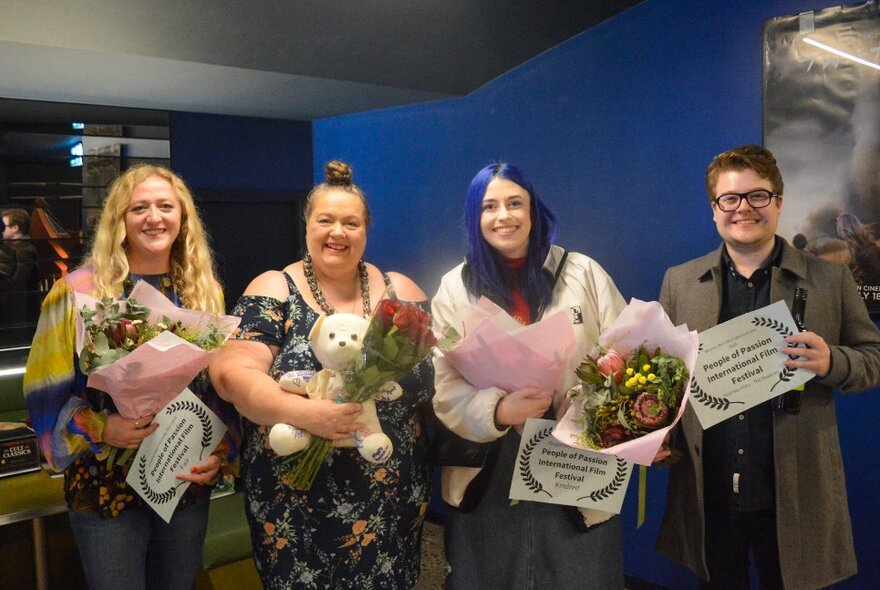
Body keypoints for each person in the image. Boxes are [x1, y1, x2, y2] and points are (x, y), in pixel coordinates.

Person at [656, 145, 880, 589]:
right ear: (714, 209)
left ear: (778, 202)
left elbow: (873, 359)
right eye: (730, 198)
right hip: (710, 490)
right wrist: (654, 433)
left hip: (794, 490)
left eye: (758, 196)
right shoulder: (678, 282)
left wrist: (831, 361)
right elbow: (665, 379)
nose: (744, 208)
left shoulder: (832, 279)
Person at [208, 160, 435, 589]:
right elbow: (230, 373)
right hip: (294, 499)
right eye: (325, 220)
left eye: (351, 223)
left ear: (366, 231)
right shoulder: (274, 287)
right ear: (307, 225)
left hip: (392, 494)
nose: (338, 232)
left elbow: (434, 377)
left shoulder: (399, 290)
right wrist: (305, 413)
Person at [23, 165, 239, 590]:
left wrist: (220, 450)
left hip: (182, 477)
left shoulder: (204, 291)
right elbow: (43, 395)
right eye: (138, 208)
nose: (153, 218)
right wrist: (103, 427)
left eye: (165, 206)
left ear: (183, 218)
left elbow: (216, 389)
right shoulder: (75, 293)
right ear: (118, 220)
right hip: (104, 485)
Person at [431, 162, 627, 588]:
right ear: (474, 217)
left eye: (515, 203)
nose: (504, 215)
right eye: (490, 206)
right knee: (490, 574)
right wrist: (499, 409)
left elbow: (626, 353)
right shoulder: (454, 287)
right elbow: (444, 387)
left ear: (533, 210)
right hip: (489, 464)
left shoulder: (583, 272)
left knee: (580, 574)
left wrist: (586, 404)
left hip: (575, 454)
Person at [836, 212, 880, 285]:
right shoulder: (857, 248)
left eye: (840, 227)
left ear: (845, 230)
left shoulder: (865, 251)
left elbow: (877, 273)